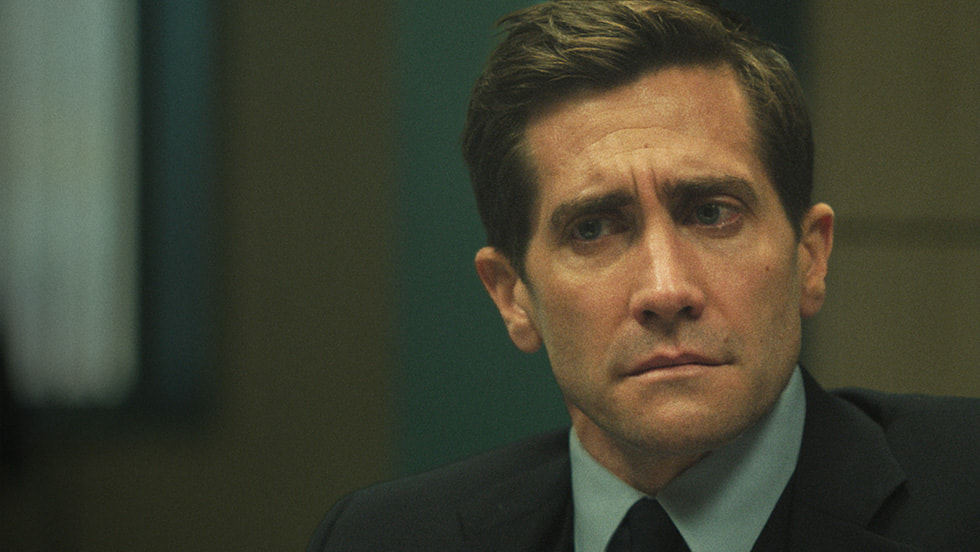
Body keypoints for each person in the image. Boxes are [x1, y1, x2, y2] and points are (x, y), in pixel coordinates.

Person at [308, 1, 980, 550]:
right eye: (593, 229)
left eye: (712, 213)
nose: (665, 290)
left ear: (810, 256)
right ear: (513, 297)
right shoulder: (380, 539)